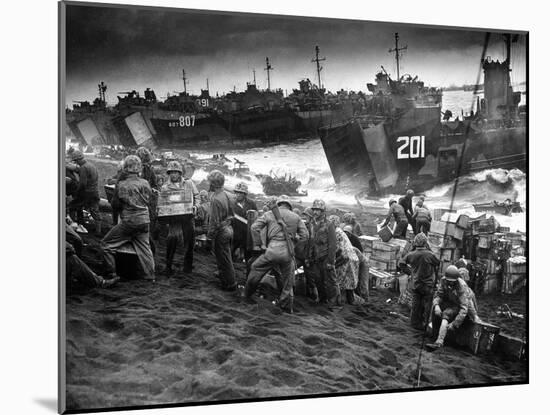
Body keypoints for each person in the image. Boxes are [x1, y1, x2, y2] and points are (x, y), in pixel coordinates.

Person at [245, 195, 308, 312]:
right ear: (289, 206)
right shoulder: (296, 217)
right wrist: (295, 247)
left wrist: (259, 244)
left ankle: (248, 294)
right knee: (288, 281)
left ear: (279, 204)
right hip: (287, 252)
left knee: (255, 268)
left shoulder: (269, 214)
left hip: (272, 249)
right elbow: (305, 236)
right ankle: (286, 307)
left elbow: (254, 227)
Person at [101, 155, 156, 281]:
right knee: (145, 248)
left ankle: (111, 274)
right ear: (139, 169)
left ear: (125, 168)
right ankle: (150, 276)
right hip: (145, 220)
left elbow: (115, 204)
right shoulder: (145, 183)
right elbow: (150, 200)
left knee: (106, 244)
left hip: (129, 221)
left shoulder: (122, 184)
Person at [426, 265, 481, 350]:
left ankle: (439, 342)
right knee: (435, 309)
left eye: (453, 281)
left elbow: (465, 308)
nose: (451, 283)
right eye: (449, 281)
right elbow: (438, 295)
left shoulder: (462, 287)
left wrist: (455, 324)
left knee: (447, 314)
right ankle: (434, 335)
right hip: (449, 301)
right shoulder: (443, 281)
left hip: (459, 305)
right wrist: (436, 306)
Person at [161, 161, 198, 275]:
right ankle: (168, 265)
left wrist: (196, 206)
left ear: (180, 173)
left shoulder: (189, 183)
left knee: (189, 241)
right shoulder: (165, 187)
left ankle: (187, 267)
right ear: (169, 173)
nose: (173, 175)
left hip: (188, 216)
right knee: (171, 239)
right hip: (174, 217)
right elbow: (163, 202)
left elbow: (197, 196)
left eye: (176, 172)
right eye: (171, 172)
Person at [401, 233, 440, 330]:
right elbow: (437, 263)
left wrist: (410, 273)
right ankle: (424, 324)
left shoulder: (411, 255)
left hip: (416, 283)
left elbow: (401, 263)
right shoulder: (430, 255)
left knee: (415, 305)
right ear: (425, 242)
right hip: (428, 284)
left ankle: (414, 323)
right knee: (427, 306)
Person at [308, 199, 341, 311]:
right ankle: (322, 300)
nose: (316, 212)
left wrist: (331, 261)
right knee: (318, 279)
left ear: (323, 211)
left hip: (326, 257)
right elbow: (311, 241)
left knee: (330, 281)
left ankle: (334, 304)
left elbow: (333, 244)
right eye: (314, 210)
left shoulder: (329, 225)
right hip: (316, 257)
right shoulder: (312, 224)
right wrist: (310, 256)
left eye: (318, 210)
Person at [207, 170, 237, 291]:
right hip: (230, 227)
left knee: (224, 259)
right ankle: (226, 278)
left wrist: (209, 236)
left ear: (213, 184)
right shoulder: (229, 195)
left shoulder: (215, 199)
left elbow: (214, 221)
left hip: (222, 231)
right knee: (227, 256)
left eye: (210, 182)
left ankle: (230, 284)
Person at [67, 149, 102, 235]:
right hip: (95, 192)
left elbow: (82, 184)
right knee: (95, 210)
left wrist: (78, 192)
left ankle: (76, 226)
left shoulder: (83, 168)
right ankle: (98, 231)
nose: (76, 163)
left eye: (75, 161)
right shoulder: (91, 165)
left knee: (72, 206)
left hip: (86, 193)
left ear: (78, 160)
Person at [328, 215, 359, 305]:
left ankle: (339, 302)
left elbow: (337, 249)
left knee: (338, 280)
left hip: (345, 258)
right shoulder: (339, 231)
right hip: (352, 258)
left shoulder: (335, 232)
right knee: (349, 282)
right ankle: (350, 301)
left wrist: (333, 262)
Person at [136, 147, 159, 252]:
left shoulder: (148, 169)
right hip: (146, 200)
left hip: (145, 200)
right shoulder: (146, 169)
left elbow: (155, 184)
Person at [232, 182, 258, 262]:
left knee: (248, 255)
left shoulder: (251, 203)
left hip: (247, 233)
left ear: (245, 194)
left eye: (240, 193)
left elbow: (256, 216)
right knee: (230, 252)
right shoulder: (231, 202)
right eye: (236, 192)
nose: (238, 195)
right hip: (235, 232)